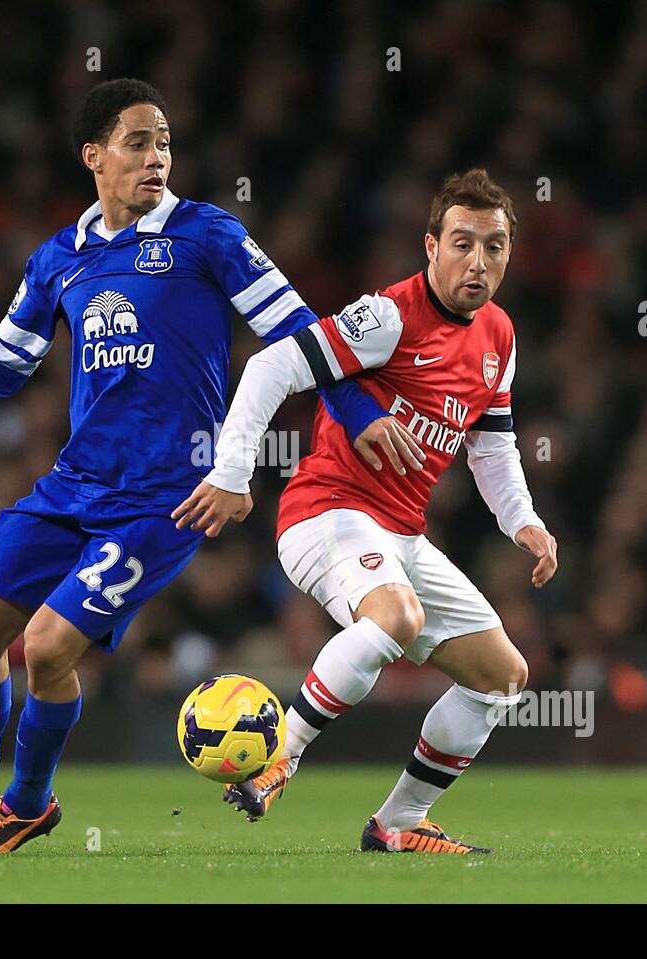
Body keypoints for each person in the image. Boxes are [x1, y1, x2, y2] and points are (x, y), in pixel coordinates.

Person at [0, 78, 409, 854]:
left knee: (51, 645)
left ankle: (27, 804)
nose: (156, 157)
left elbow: (297, 330)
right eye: (137, 142)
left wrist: (360, 415)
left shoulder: (207, 234)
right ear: (94, 156)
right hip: (71, 487)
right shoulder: (59, 258)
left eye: (164, 143)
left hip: (166, 496)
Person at [174, 169, 558, 854]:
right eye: (463, 243)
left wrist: (522, 521)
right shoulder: (388, 316)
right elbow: (270, 369)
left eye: (494, 247)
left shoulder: (499, 334)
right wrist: (232, 473)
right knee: (397, 616)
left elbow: (492, 448)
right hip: (326, 513)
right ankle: (279, 759)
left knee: (503, 677)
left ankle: (398, 825)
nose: (479, 261)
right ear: (431, 245)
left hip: (401, 534)